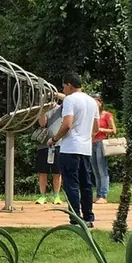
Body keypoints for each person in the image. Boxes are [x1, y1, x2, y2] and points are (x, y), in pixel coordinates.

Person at [51, 72, 99, 227]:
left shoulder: (70, 100)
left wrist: (54, 138)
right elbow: (96, 127)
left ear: (69, 85)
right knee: (86, 184)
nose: (63, 89)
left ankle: (75, 217)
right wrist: (86, 136)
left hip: (70, 147)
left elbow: (67, 124)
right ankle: (89, 217)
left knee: (71, 184)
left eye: (64, 86)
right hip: (85, 149)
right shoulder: (92, 101)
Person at [33, 96, 63, 205]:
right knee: (43, 172)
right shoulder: (43, 109)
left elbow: (69, 98)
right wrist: (42, 108)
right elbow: (42, 124)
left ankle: (56, 196)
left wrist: (55, 93)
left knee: (57, 172)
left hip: (59, 144)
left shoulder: (61, 108)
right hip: (44, 145)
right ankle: (42, 196)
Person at [90, 90, 115, 203]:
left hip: (101, 142)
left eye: (96, 102)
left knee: (102, 169)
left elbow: (113, 130)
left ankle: (103, 195)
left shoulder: (107, 115)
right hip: (91, 143)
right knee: (95, 170)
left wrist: (101, 129)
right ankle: (98, 193)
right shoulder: (91, 116)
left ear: (101, 102)